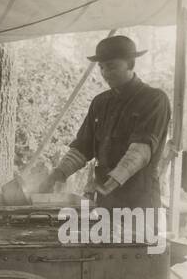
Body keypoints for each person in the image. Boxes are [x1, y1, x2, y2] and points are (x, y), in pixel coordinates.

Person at [41, 34, 171, 214]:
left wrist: (109, 184)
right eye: (101, 67)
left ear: (131, 64)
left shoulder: (154, 99)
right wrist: (58, 174)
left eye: (111, 66)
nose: (105, 73)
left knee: (134, 241)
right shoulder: (100, 102)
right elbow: (83, 147)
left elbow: (141, 152)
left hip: (140, 203)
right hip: (105, 201)